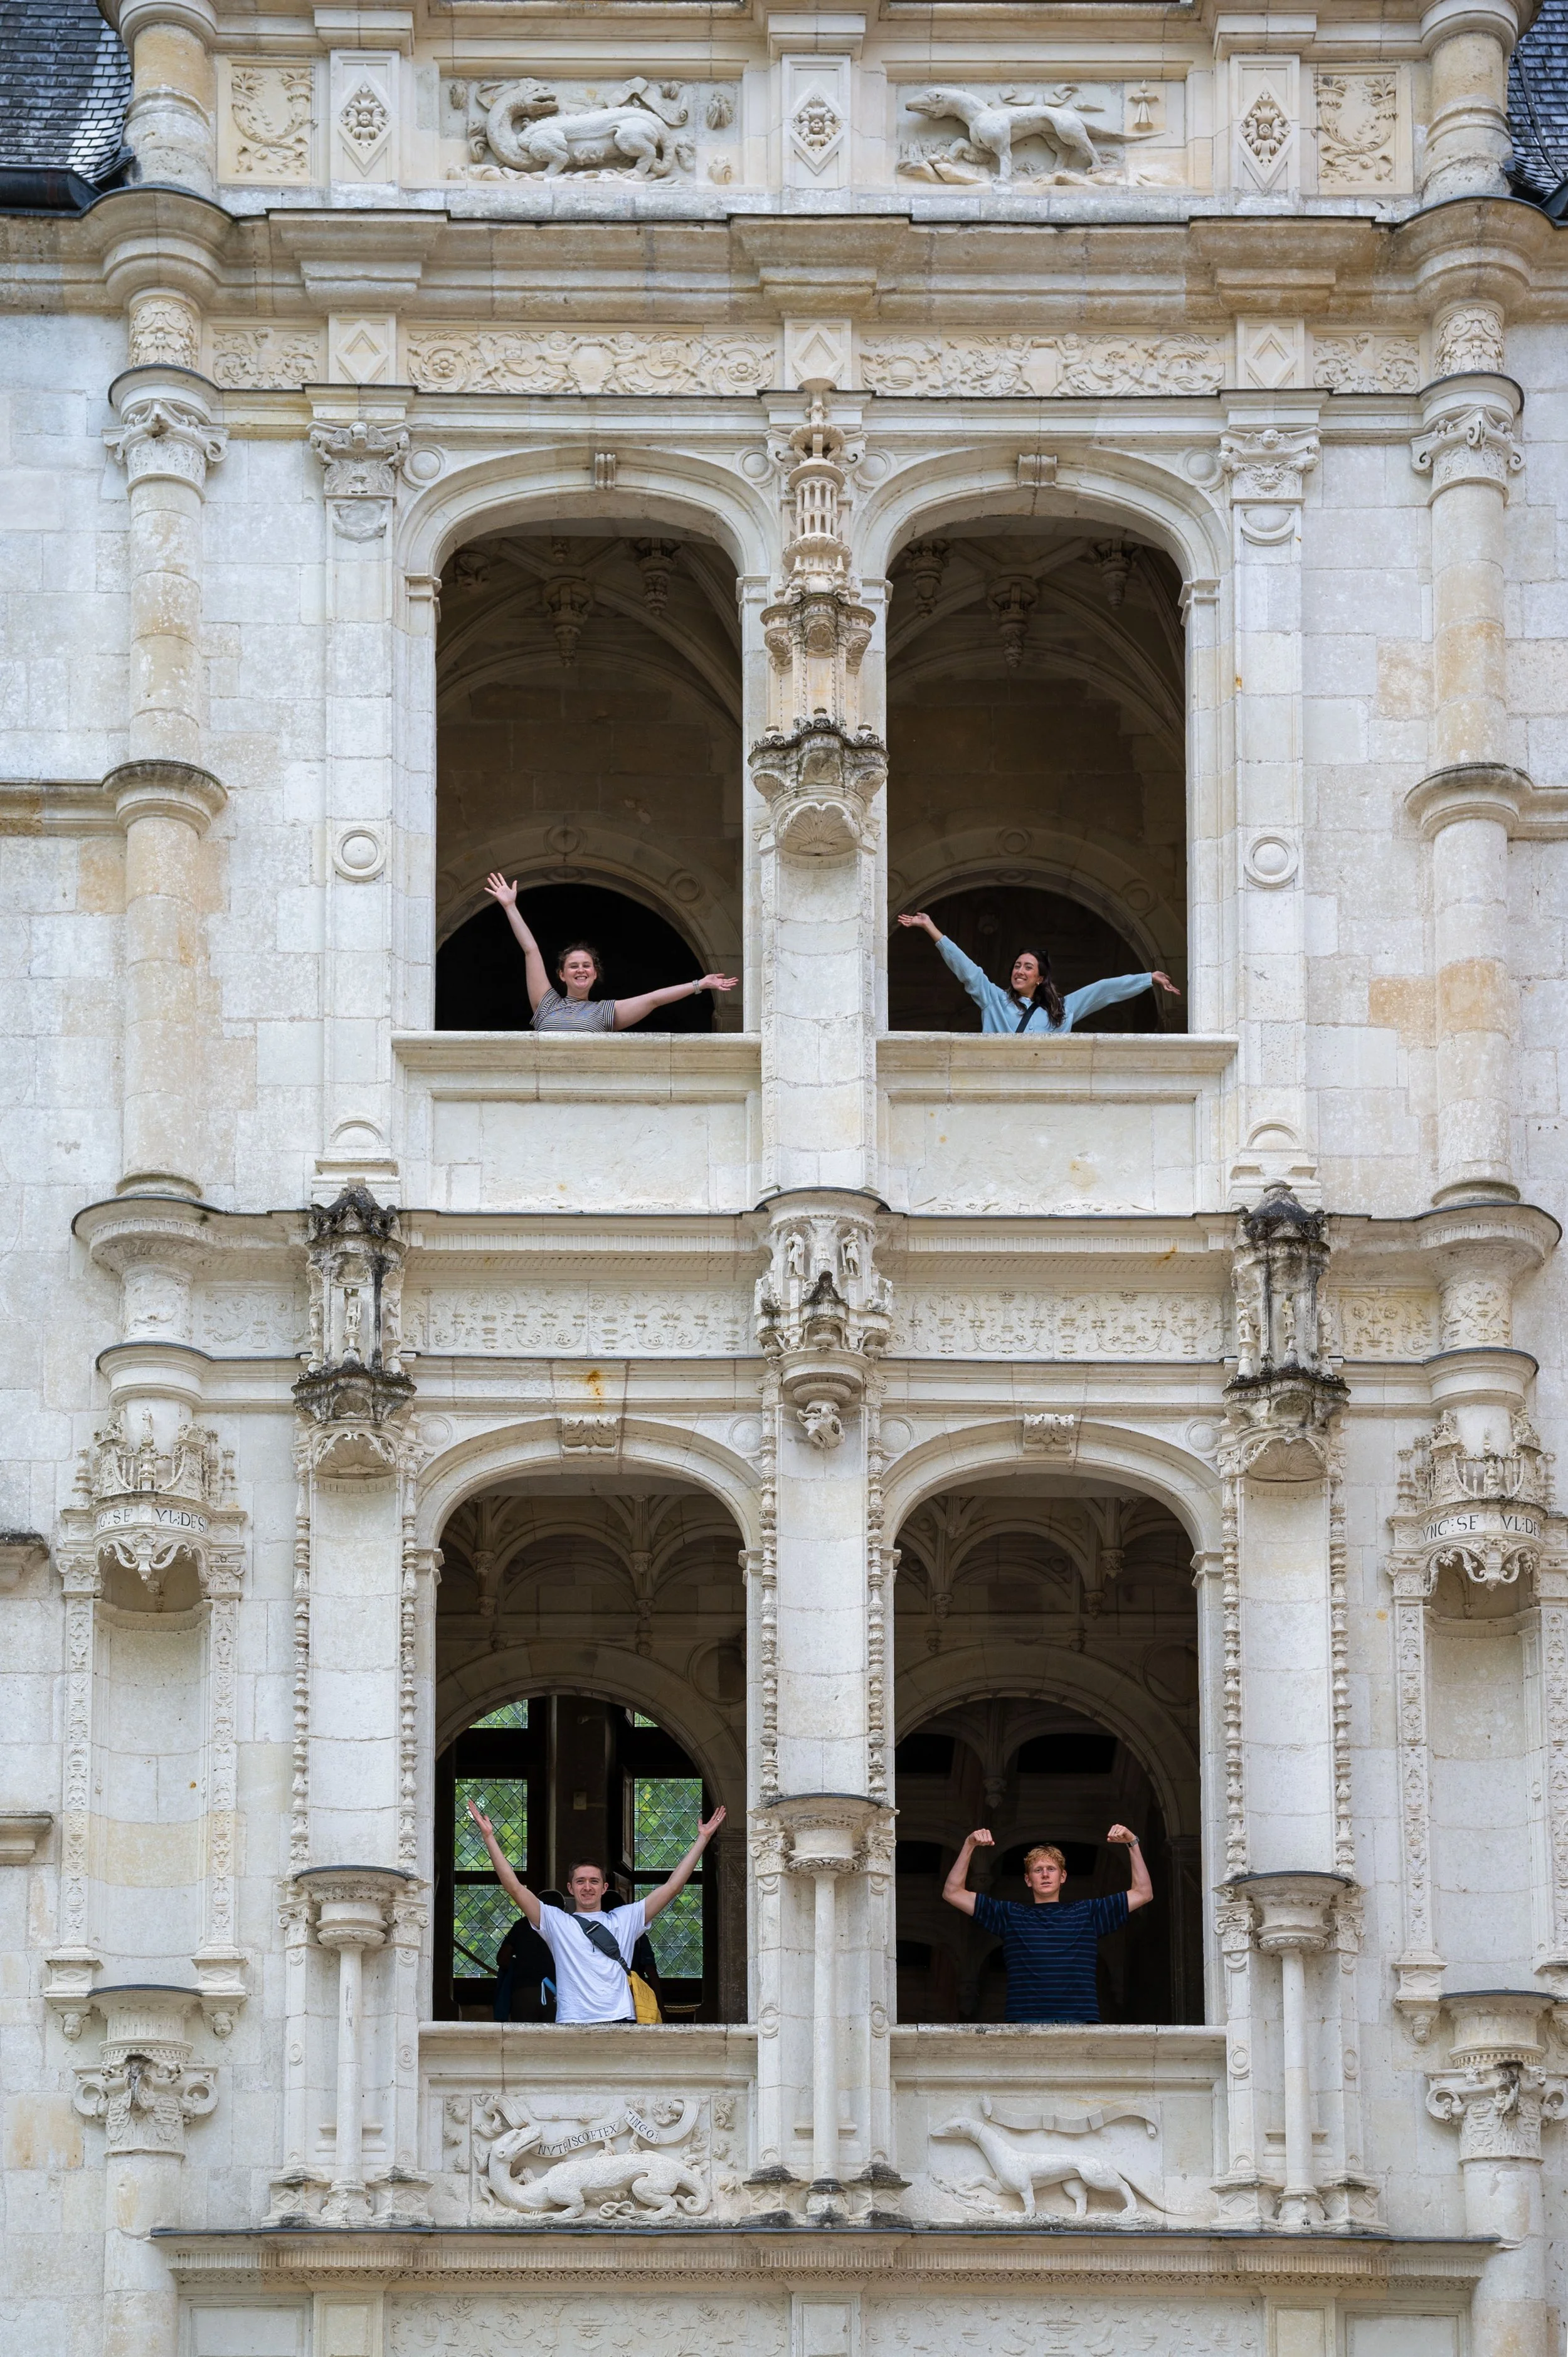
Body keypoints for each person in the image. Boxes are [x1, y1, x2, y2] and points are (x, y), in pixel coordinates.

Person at [465, 1796, 725, 2023]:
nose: (587, 1887)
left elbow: (672, 1888)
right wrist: (489, 1838)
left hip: (621, 2018)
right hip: (572, 2020)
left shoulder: (626, 1919)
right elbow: (515, 1889)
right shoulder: (557, 1922)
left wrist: (702, 1840)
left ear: (604, 1887)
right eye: (580, 1881)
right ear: (570, 1887)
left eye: (594, 1881)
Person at [941, 1824, 1152, 2025]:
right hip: (1025, 2021)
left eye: (1051, 1869)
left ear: (1063, 1877)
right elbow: (952, 1892)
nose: (1045, 1874)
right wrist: (969, 1845)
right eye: (1038, 1870)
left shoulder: (1088, 1913)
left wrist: (1132, 1842)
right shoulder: (1010, 1915)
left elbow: (1143, 1893)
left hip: (1078, 2020)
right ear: (1028, 1879)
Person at [484, 874, 738, 1031]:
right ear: (562, 975)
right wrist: (510, 907)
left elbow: (654, 999)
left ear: (595, 974)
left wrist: (699, 984)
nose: (580, 970)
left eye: (586, 965)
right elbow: (531, 950)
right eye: (573, 966)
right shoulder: (547, 1004)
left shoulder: (605, 1012)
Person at [897, 909, 1180, 1034]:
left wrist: (1148, 979)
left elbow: (1102, 991)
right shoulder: (995, 1000)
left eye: (1027, 967)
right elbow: (967, 970)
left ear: (1040, 978)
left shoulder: (1063, 1011)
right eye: (1017, 966)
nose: (1019, 971)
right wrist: (932, 929)